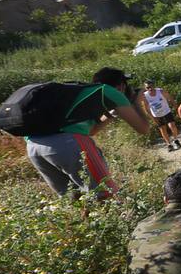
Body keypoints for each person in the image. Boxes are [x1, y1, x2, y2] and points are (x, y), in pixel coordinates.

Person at [23, 67, 151, 198]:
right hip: (67, 143)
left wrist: (111, 115)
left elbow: (91, 130)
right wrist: (136, 102)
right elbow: (143, 129)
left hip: (34, 146)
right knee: (104, 194)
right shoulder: (111, 91)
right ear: (121, 86)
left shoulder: (82, 93)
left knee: (74, 199)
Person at [139, 79, 181, 151]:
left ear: (153, 86)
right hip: (156, 115)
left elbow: (170, 99)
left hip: (166, 112)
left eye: (151, 86)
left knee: (172, 126)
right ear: (145, 88)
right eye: (147, 87)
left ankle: (176, 140)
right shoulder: (145, 96)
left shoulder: (160, 91)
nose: (150, 89)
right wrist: (152, 118)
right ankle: (169, 144)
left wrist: (176, 108)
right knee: (162, 129)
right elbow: (146, 108)